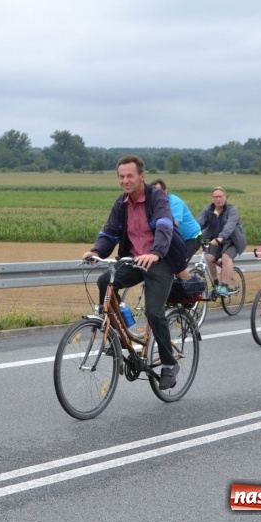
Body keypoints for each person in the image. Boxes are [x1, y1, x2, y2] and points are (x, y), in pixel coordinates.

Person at [82, 155, 188, 390]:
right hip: (133, 259)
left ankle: (170, 363)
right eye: (121, 176)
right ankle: (116, 335)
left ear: (142, 176)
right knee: (104, 281)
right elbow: (110, 232)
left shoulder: (157, 198)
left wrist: (156, 252)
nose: (125, 180)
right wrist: (95, 250)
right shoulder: (121, 204)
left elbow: (164, 225)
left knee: (153, 312)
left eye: (130, 175)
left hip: (159, 260)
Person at [196, 186, 247, 297]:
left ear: (225, 197)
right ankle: (215, 285)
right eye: (215, 197)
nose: (218, 199)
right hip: (215, 240)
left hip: (232, 241)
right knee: (208, 258)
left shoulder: (231, 210)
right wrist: (192, 234)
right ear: (212, 198)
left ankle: (224, 286)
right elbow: (199, 223)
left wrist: (221, 237)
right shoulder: (208, 210)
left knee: (225, 258)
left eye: (220, 196)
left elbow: (230, 225)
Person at [150, 178, 201, 276]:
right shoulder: (154, 203)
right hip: (175, 239)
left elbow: (174, 225)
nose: (156, 195)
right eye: (154, 192)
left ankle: (194, 290)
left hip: (191, 237)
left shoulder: (174, 202)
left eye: (159, 192)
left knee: (178, 266)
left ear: (166, 191)